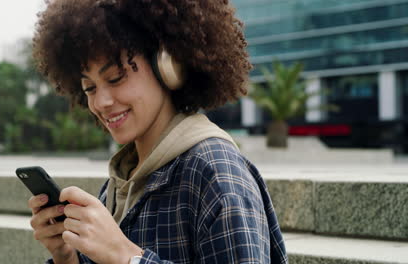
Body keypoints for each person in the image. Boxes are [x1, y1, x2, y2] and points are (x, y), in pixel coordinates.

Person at [28, 0, 288, 263]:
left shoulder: (216, 172)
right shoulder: (119, 185)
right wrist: (67, 256)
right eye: (90, 88)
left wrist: (127, 257)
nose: (100, 102)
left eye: (116, 77)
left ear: (168, 66)